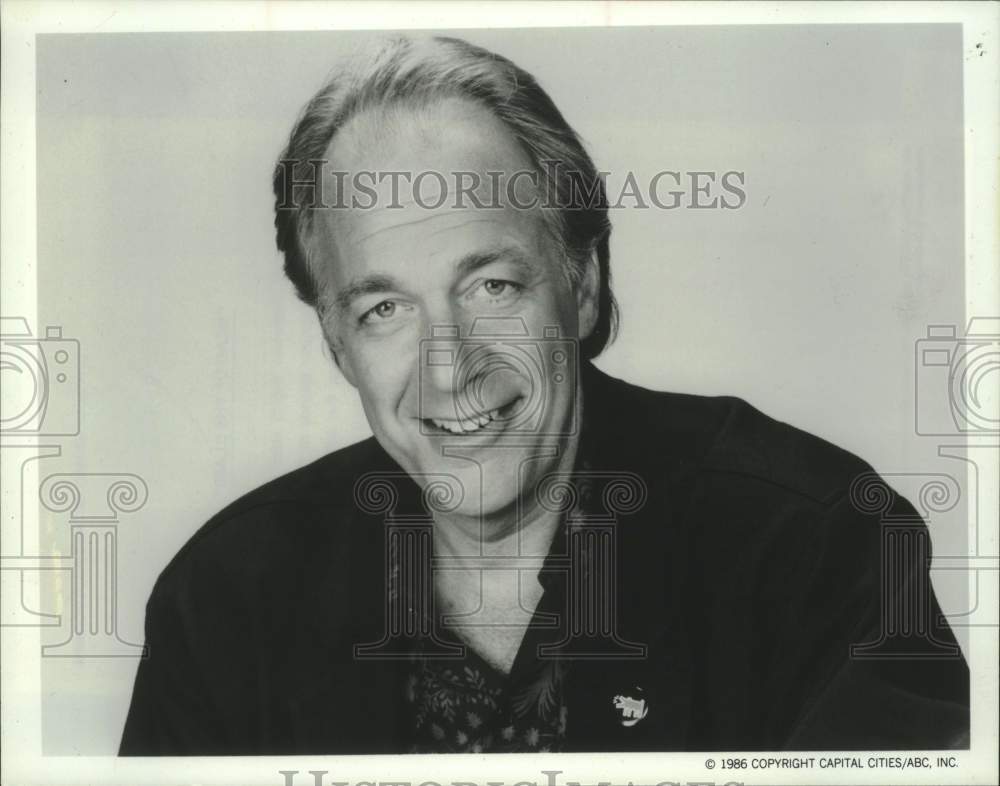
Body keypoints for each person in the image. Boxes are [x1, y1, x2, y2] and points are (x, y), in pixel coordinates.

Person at [120, 35, 968, 755]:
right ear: (337, 345)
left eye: (491, 285)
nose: (449, 367)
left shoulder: (818, 543)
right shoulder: (224, 602)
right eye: (384, 309)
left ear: (583, 284)